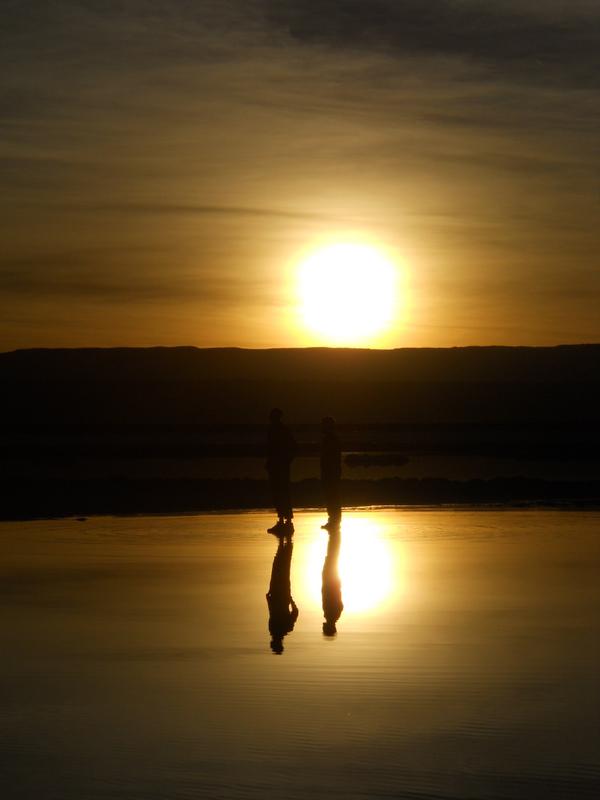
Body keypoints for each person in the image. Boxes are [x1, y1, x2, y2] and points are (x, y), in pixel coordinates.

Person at [266, 408, 297, 534]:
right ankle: (283, 521)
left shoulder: (279, 430)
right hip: (277, 465)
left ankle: (287, 522)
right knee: (279, 493)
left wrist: (285, 461)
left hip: (280, 466)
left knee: (282, 493)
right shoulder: (276, 430)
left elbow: (292, 448)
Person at [266, 533, 298, 654]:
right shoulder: (284, 628)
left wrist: (290, 599)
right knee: (281, 567)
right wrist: (290, 599)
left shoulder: (281, 628)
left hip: (279, 595)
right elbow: (295, 612)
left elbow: (272, 613)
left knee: (279, 567)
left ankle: (284, 543)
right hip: (280, 595)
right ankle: (287, 542)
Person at [320, 415, 342, 530]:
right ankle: (333, 520)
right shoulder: (330, 438)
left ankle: (334, 520)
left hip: (331, 472)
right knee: (331, 496)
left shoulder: (331, 439)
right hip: (331, 471)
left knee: (332, 496)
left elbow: (331, 458)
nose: (322, 427)